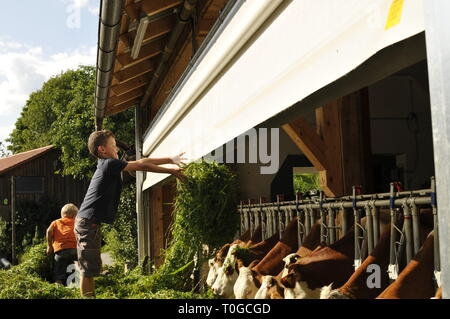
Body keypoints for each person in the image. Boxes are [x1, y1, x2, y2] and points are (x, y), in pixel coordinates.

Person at [75, 130, 186, 297]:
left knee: (92, 268)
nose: (117, 149)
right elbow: (141, 165)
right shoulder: (108, 164)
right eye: (113, 146)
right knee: (88, 270)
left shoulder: (108, 164)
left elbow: (142, 161)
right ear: (102, 150)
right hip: (87, 222)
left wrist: (170, 159)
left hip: (89, 222)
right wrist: (171, 170)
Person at [46, 203, 79, 285]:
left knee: (58, 268)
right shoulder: (76, 222)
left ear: (62, 214)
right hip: (75, 249)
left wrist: (49, 246)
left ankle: (58, 282)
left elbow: (49, 231)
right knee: (70, 262)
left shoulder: (56, 222)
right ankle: (73, 281)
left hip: (61, 249)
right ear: (74, 215)